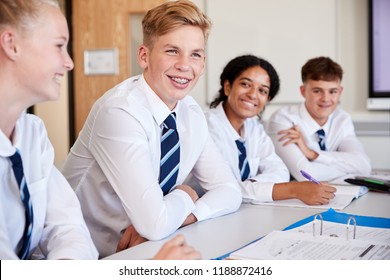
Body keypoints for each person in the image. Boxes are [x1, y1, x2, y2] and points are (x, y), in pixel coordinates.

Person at [61, 0, 242, 258]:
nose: (184, 65)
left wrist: (189, 213)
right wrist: (186, 192)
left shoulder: (190, 113)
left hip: (148, 248)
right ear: (144, 56)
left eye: (195, 54)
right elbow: (154, 224)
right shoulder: (120, 111)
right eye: (172, 51)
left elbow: (230, 191)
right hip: (87, 255)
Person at [0, 0, 98, 259]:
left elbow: (69, 228)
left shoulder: (32, 133)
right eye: (59, 46)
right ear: (11, 44)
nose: (69, 63)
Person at [205, 54, 336, 205]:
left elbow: (280, 171)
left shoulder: (255, 128)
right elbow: (224, 190)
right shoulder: (207, 127)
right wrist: (293, 190)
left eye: (262, 91)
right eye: (246, 84)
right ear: (228, 87)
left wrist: (251, 186)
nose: (253, 94)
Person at [267, 56, 371, 182]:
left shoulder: (342, 119)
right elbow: (306, 175)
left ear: (340, 91)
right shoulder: (283, 120)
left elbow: (364, 167)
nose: (326, 99)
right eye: (317, 91)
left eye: (332, 91)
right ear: (303, 91)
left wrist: (313, 154)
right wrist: (349, 170)